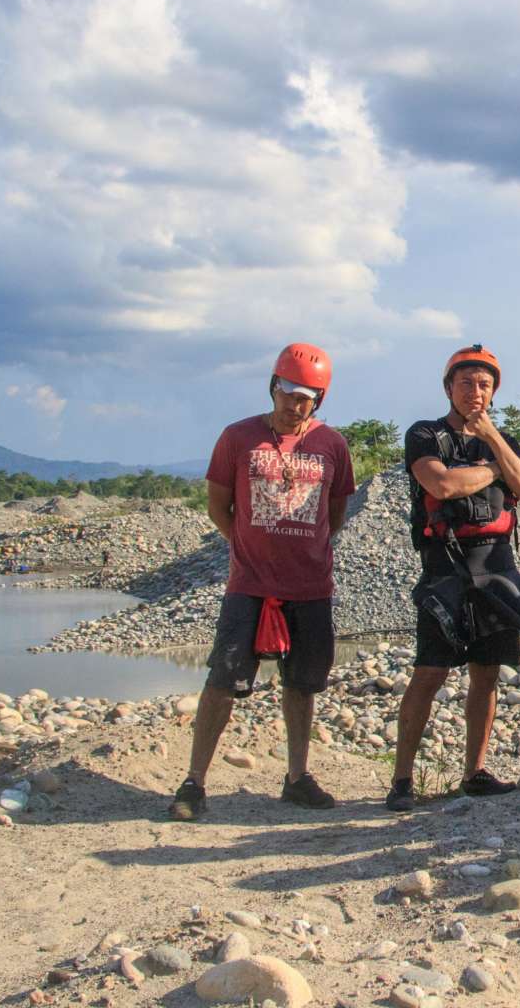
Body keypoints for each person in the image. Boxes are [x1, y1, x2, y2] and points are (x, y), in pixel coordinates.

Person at [169, 343, 356, 820]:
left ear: (319, 400)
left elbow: (335, 513)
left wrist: (304, 548)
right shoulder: (238, 438)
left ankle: (297, 777)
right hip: (248, 585)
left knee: (302, 684)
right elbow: (218, 505)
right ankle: (194, 782)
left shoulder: (333, 445)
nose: (294, 404)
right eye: (288, 393)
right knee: (223, 679)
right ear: (273, 387)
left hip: (310, 587)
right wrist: (248, 546)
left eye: (306, 398)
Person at [386, 344, 520, 811]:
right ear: (448, 387)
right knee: (429, 672)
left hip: (496, 566)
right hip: (445, 567)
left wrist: (492, 440)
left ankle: (475, 772)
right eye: (466, 382)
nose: (476, 391)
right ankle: (402, 780)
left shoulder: (503, 439)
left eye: (485, 384)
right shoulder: (425, 435)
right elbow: (443, 485)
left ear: (494, 391)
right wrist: (493, 470)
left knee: (486, 675)